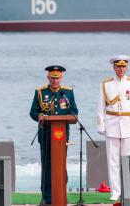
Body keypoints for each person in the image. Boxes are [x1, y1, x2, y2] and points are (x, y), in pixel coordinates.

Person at [96, 55, 130, 203]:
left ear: (127, 67)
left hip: (128, 124)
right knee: (113, 161)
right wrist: (101, 125)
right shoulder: (106, 84)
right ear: (114, 67)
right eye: (118, 66)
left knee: (127, 159)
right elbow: (100, 107)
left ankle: (127, 190)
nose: (121, 69)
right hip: (111, 124)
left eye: (123, 66)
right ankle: (116, 192)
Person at [30, 65, 78, 206]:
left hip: (61, 135)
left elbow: (74, 111)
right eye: (52, 78)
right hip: (45, 134)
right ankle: (46, 197)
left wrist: (72, 116)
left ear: (61, 78)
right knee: (47, 165)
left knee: (61, 164)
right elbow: (33, 112)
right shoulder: (40, 92)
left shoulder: (67, 93)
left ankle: (61, 194)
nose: (55, 81)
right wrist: (40, 116)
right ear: (48, 77)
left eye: (57, 78)